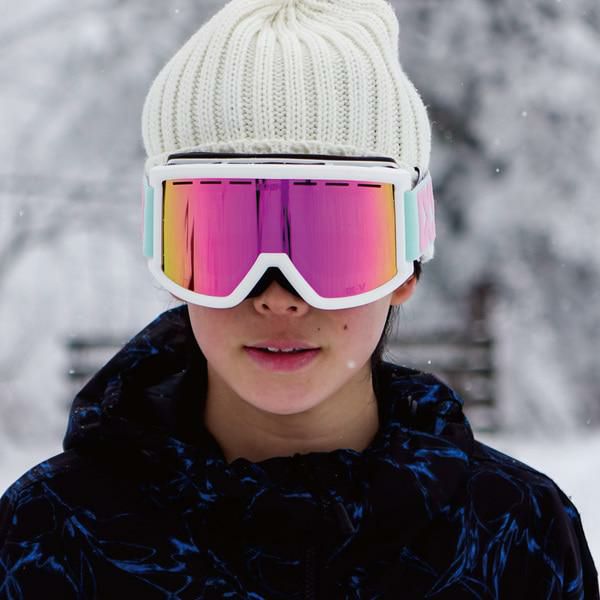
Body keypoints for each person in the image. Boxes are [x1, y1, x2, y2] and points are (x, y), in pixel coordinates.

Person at [0, 0, 598, 597]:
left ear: (407, 263)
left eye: (332, 241)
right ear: (169, 258)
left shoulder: (515, 533)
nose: (279, 298)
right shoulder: (51, 535)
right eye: (227, 239)